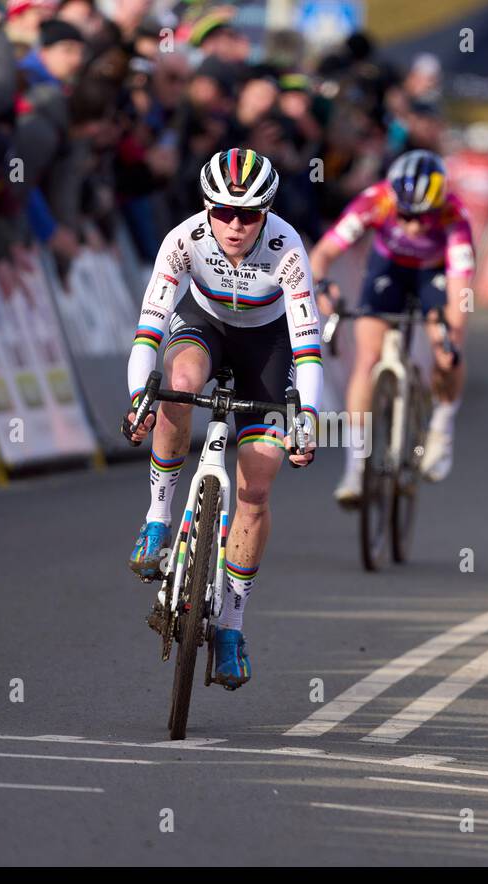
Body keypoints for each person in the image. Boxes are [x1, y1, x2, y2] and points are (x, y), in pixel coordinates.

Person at [124, 147, 319, 690]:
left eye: (250, 214)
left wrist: (307, 418)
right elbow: (148, 329)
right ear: (207, 208)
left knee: (257, 484)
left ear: (267, 213)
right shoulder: (183, 239)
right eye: (224, 212)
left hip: (267, 347)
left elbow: (306, 346)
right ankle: (158, 516)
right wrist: (140, 395)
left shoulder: (287, 246)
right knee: (178, 387)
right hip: (204, 326)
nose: (235, 226)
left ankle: (232, 626)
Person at [309, 148, 474, 507]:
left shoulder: (454, 214)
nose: (414, 224)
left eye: (423, 216)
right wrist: (322, 286)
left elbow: (461, 289)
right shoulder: (376, 201)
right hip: (388, 270)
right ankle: (354, 468)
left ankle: (441, 429)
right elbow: (322, 254)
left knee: (448, 350)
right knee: (366, 360)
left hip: (434, 273)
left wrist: (451, 333)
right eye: (406, 215)